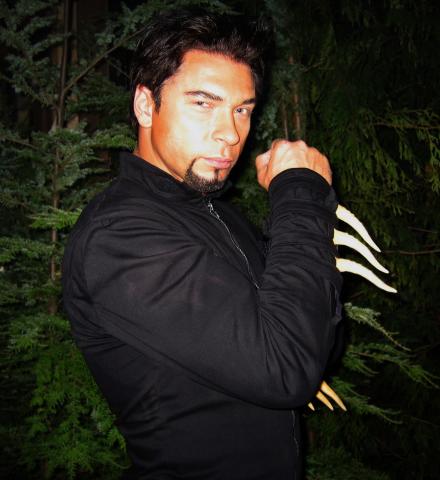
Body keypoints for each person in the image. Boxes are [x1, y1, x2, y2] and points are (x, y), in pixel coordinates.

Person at [62, 8, 342, 479]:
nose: (230, 133)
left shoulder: (219, 213)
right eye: (203, 103)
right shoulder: (120, 236)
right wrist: (298, 192)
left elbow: (309, 342)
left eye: (242, 109)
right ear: (145, 105)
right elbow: (287, 369)